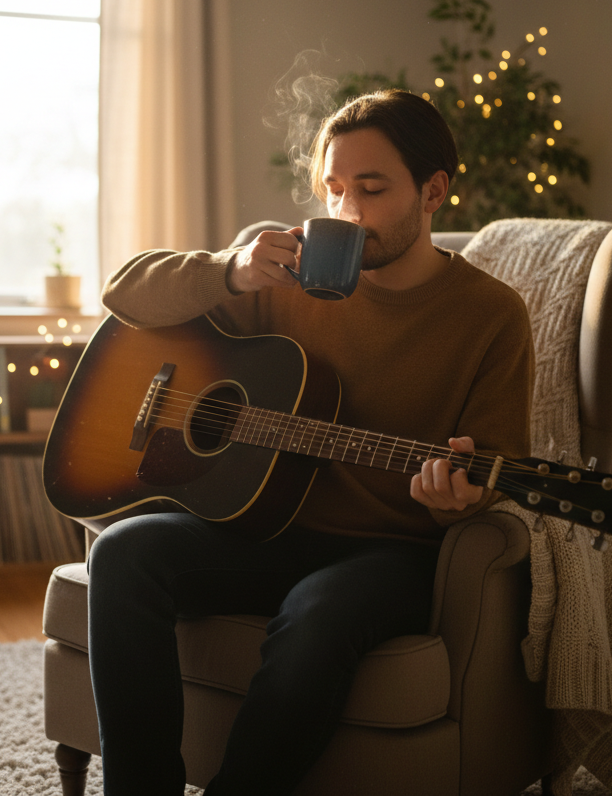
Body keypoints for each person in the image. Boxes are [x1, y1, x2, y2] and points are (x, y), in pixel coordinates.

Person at [87, 89, 534, 796]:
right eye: (333, 188)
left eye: (371, 188)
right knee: (123, 552)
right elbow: (124, 293)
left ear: (433, 191)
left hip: (392, 551)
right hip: (267, 525)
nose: (345, 210)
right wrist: (227, 270)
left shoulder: (491, 316)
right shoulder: (283, 276)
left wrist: (455, 501)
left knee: (319, 613)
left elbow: (494, 471)